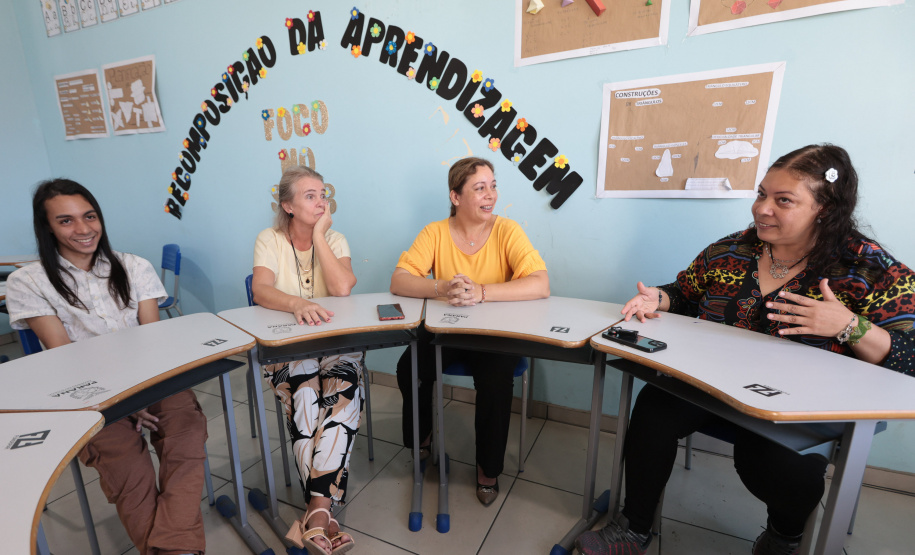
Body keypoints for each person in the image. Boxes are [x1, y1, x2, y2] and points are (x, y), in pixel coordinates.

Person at [575, 144, 915, 555]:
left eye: (783, 200)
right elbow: (684, 292)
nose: (761, 209)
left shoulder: (868, 269)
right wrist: (658, 300)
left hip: (798, 406)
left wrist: (849, 326)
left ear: (824, 209)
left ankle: (784, 535)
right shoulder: (733, 250)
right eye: (761, 194)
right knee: (653, 410)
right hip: (715, 385)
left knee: (772, 465)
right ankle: (634, 529)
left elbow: (907, 357)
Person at [7, 179, 208, 555]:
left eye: (90, 216)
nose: (83, 229)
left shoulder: (133, 266)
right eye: (66, 221)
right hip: (90, 395)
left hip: (155, 380)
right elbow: (63, 352)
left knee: (186, 439)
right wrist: (125, 403)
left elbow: (154, 339)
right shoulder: (28, 281)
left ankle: (172, 549)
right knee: (130, 472)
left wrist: (146, 393)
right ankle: (181, 548)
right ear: (46, 226)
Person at [390, 157, 550, 506]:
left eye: (493, 185)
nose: (490, 194)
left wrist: (482, 292)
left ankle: (488, 469)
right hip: (445, 330)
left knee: (496, 380)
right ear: (456, 196)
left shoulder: (507, 230)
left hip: (493, 334)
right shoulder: (434, 232)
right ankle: (423, 438)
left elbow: (540, 284)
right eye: (480, 188)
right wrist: (442, 287)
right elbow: (399, 280)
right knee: (410, 367)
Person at [251, 165, 360, 554]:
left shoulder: (336, 238)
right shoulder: (270, 238)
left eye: (323, 193)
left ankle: (315, 510)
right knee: (307, 397)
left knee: (342, 390)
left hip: (336, 344)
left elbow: (343, 288)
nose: (320, 200)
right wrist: (297, 303)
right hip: (286, 348)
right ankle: (324, 512)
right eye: (310, 195)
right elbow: (261, 290)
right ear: (288, 206)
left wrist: (319, 236)